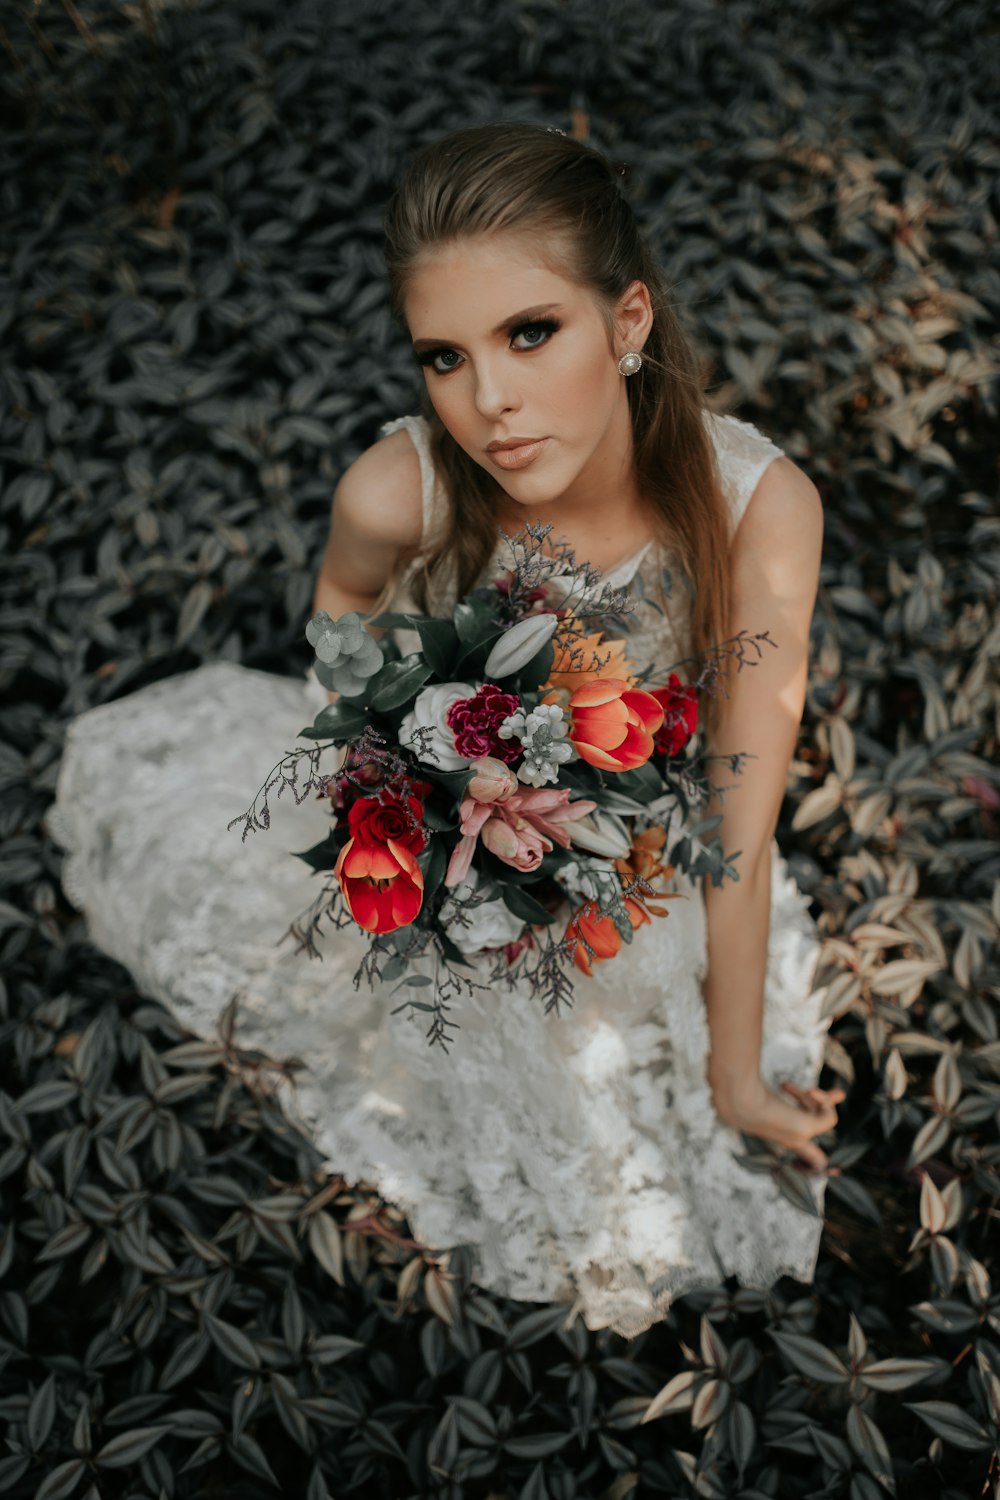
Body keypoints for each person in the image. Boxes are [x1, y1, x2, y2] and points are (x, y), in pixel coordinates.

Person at [46, 121, 844, 1339]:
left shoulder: (756, 512)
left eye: (531, 333)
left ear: (627, 323)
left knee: (678, 1148)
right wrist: (393, 769)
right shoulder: (395, 487)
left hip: (647, 870)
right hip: (456, 876)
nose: (491, 403)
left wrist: (733, 1072)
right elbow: (341, 619)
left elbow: (739, 807)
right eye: (443, 356)